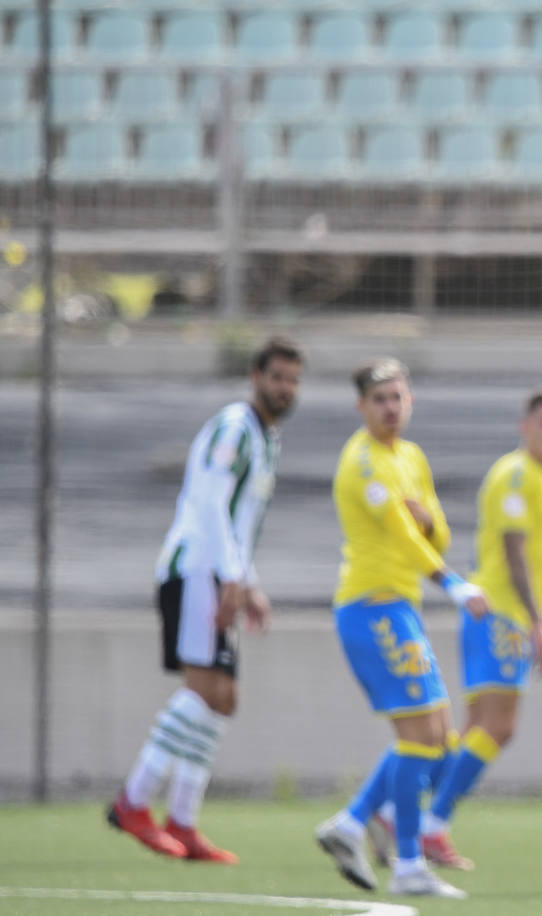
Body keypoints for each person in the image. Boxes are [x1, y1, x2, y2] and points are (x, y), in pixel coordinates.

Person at [107, 337, 304, 864]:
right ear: (255, 376)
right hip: (197, 569)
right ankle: (132, 801)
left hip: (222, 574)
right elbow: (210, 503)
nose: (284, 388)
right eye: (277, 377)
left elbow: (240, 521)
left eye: (292, 380)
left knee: (224, 698)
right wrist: (233, 577)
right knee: (201, 690)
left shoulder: (267, 438)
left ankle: (185, 822)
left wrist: (250, 581)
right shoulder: (235, 427)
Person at [368, 386, 542, 869]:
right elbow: (513, 550)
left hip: (509, 618)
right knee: (498, 727)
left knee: (479, 730)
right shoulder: (516, 474)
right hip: (499, 614)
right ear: (526, 428)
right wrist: (540, 622)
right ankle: (427, 824)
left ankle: (401, 813)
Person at [313, 358, 488, 900]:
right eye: (379, 399)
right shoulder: (363, 461)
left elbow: (432, 532)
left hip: (399, 608)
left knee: (439, 736)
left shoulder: (410, 457)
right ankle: (407, 862)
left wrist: (432, 527)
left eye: (397, 397)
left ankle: (355, 820)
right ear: (361, 407)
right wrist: (453, 583)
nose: (390, 407)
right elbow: (402, 531)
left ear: (408, 401)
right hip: (371, 606)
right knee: (421, 737)